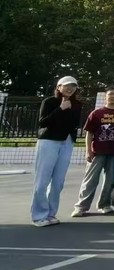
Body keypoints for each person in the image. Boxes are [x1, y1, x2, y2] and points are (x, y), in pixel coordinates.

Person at [31, 76, 83, 227]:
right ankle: (39, 216)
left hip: (67, 142)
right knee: (42, 180)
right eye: (66, 85)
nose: (70, 88)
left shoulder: (77, 104)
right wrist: (60, 109)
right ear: (59, 87)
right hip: (49, 141)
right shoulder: (49, 102)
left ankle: (51, 214)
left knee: (58, 182)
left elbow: (73, 123)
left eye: (73, 86)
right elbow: (43, 122)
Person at [72, 85, 114, 217]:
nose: (113, 96)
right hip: (97, 151)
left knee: (110, 180)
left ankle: (104, 204)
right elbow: (89, 133)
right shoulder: (96, 113)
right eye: (110, 94)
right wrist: (88, 151)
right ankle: (81, 206)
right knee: (90, 180)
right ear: (105, 96)